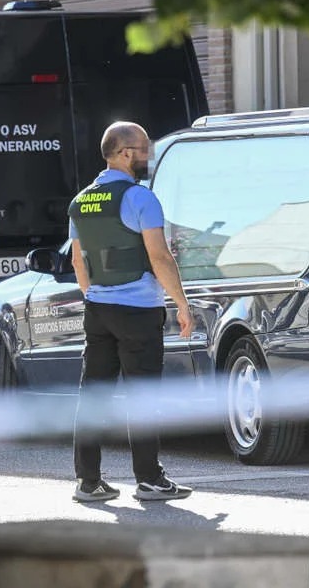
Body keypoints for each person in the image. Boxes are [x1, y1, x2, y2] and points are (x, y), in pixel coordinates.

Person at [68, 121, 194, 503]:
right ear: (125, 153)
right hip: (137, 309)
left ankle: (88, 481)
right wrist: (182, 304)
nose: (148, 156)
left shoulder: (80, 201)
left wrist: (97, 295)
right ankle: (150, 479)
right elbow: (159, 256)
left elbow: (78, 261)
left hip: (99, 309)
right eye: (144, 150)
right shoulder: (140, 198)